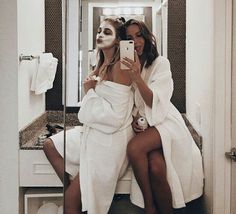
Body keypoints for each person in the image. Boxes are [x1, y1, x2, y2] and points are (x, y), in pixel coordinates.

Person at [43, 17, 134, 214]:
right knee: (49, 145)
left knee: (70, 203)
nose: (100, 34)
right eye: (99, 30)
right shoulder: (100, 64)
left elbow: (116, 118)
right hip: (94, 132)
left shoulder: (122, 66)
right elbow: (95, 105)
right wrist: (90, 91)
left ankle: (74, 195)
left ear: (119, 41)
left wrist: (89, 91)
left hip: (110, 141)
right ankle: (74, 191)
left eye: (107, 32)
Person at [121, 19, 204, 214]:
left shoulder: (160, 63)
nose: (136, 42)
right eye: (129, 38)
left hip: (166, 122)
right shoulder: (127, 67)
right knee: (157, 168)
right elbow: (131, 102)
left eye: (138, 35)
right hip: (147, 126)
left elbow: (154, 101)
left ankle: (150, 207)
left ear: (147, 36)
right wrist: (134, 119)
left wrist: (137, 78)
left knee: (134, 148)